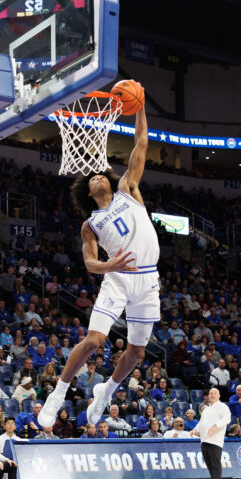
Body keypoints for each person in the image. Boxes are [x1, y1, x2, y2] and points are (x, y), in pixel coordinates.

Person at [38, 96, 157, 430]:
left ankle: (106, 393)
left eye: (99, 175)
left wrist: (141, 105)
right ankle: (58, 392)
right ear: (88, 194)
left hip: (147, 280)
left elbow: (142, 143)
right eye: (90, 180)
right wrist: (111, 266)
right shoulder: (89, 225)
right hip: (117, 278)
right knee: (95, 341)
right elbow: (90, 263)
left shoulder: (127, 188)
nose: (96, 178)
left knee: (136, 353)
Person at [191, 387, 230, 479]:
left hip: (215, 440)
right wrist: (195, 430)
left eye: (214, 393)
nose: (212, 395)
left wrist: (215, 426)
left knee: (215, 464)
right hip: (204, 439)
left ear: (219, 396)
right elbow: (201, 422)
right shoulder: (206, 409)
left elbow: (227, 419)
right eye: (210, 393)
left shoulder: (223, 407)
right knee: (209, 464)